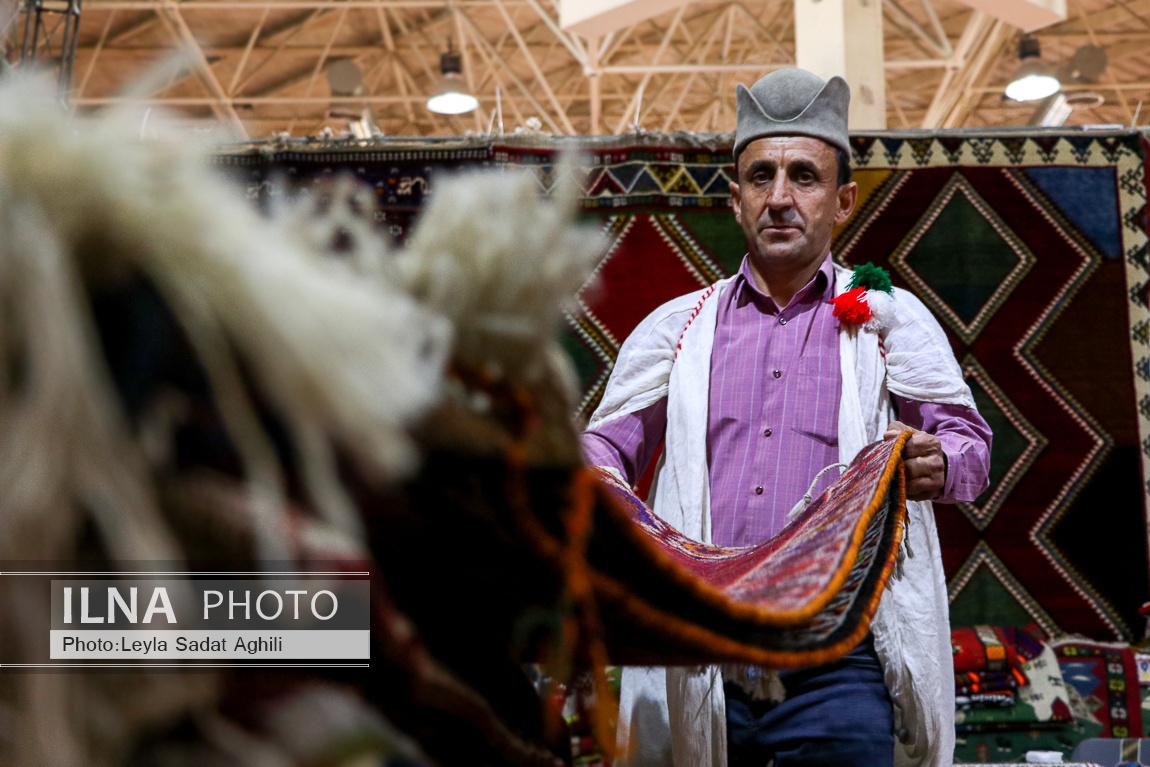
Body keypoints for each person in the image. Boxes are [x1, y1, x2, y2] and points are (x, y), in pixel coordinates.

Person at [580, 68, 992, 767]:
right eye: (760, 175)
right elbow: (598, 450)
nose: (779, 197)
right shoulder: (677, 329)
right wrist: (623, 521)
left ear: (842, 201)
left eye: (804, 175)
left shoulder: (891, 320)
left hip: (840, 661)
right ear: (735, 198)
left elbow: (971, 449)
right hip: (704, 650)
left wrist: (939, 461)